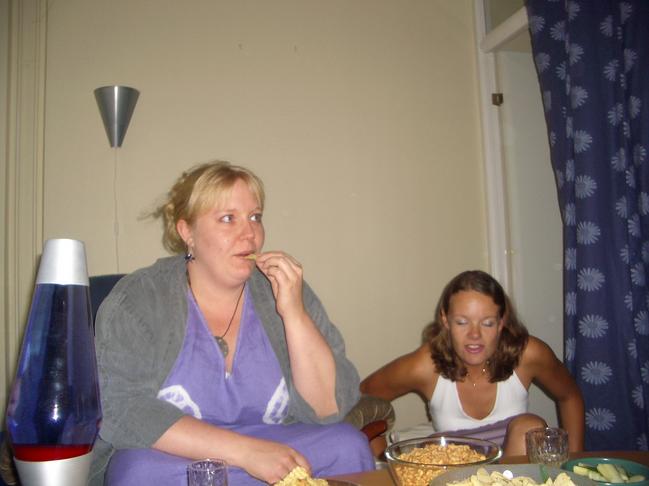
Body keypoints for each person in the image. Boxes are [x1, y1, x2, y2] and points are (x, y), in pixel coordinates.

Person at [89, 161, 374, 485]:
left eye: (255, 217)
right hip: (175, 456)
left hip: (277, 441)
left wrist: (294, 312)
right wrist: (246, 453)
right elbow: (124, 409)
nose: (249, 233)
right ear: (187, 232)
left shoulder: (285, 289)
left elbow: (328, 408)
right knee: (136, 472)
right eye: (228, 218)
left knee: (347, 445)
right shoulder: (140, 298)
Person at [360, 270, 584, 456]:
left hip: (512, 472)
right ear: (445, 320)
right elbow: (363, 398)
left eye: (487, 323)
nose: (474, 335)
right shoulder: (425, 365)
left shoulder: (528, 354)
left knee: (530, 426)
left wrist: (574, 460)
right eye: (461, 322)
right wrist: (381, 458)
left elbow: (570, 396)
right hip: (454, 470)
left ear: (501, 322)